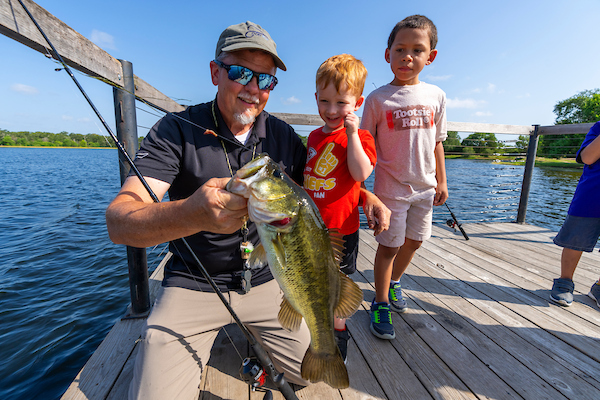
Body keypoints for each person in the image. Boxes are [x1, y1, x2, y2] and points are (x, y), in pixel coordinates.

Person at [105, 21, 390, 400]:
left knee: (308, 375)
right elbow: (120, 222)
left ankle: (261, 340)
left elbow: (311, 193)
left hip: (271, 279)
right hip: (195, 281)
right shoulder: (176, 130)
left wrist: (365, 196)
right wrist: (192, 213)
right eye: (241, 73)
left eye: (266, 80)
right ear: (215, 73)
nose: (254, 89)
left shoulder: (283, 136)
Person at [359, 15, 448, 340]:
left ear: (430, 57)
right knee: (389, 246)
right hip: (390, 190)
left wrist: (442, 180)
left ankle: (395, 282)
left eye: (417, 50)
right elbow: (364, 147)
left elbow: (437, 141)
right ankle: (380, 301)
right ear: (388, 54)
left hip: (425, 189)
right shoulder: (378, 98)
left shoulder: (436, 96)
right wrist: (363, 190)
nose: (407, 57)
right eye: (400, 49)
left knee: (416, 241)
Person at [303, 54, 377, 363]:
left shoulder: (361, 137)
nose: (332, 110)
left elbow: (361, 174)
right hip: (309, 231)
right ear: (316, 98)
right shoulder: (312, 136)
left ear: (357, 102)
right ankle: (308, 333)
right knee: (310, 283)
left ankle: (338, 333)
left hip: (341, 231)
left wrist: (350, 134)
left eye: (342, 103)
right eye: (325, 101)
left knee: (337, 289)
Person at [550, 121, 600, 309]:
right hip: (592, 195)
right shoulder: (598, 128)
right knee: (575, 239)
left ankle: (599, 288)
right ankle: (564, 281)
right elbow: (587, 157)